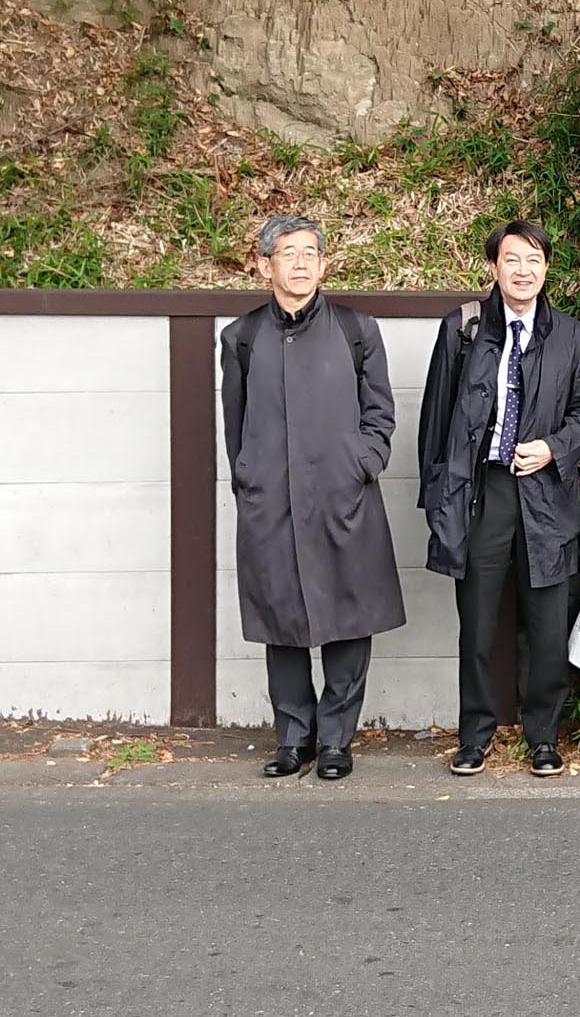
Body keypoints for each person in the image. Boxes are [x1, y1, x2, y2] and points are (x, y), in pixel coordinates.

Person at [220, 214, 406, 782]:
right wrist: (249, 476)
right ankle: (291, 739)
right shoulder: (242, 337)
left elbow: (381, 412)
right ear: (264, 264)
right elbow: (236, 424)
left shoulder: (356, 329)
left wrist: (363, 462)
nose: (300, 264)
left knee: (348, 617)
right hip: (270, 502)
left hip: (342, 496)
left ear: (324, 265)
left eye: (309, 254)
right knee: (281, 619)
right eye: (288, 253)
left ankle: (335, 741)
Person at [418, 219, 580, 779]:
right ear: (494, 267)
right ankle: (474, 734)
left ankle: (542, 735)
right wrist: (439, 496)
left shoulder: (570, 335)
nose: (523, 271)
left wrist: (553, 447)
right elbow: (436, 417)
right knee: (476, 619)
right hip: (484, 491)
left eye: (534, 260)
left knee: (546, 621)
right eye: (512, 259)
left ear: (547, 269)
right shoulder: (465, 328)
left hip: (546, 491)